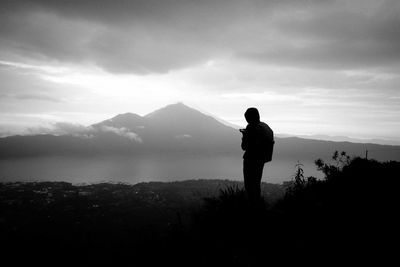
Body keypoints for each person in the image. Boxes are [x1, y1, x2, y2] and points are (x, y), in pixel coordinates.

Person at [240, 107, 274, 204]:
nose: (246, 120)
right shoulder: (265, 127)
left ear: (250, 117)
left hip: (250, 160)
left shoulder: (251, 127)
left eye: (247, 118)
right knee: (256, 184)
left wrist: (244, 136)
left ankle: (251, 207)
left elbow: (244, 146)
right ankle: (257, 205)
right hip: (261, 160)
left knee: (249, 185)